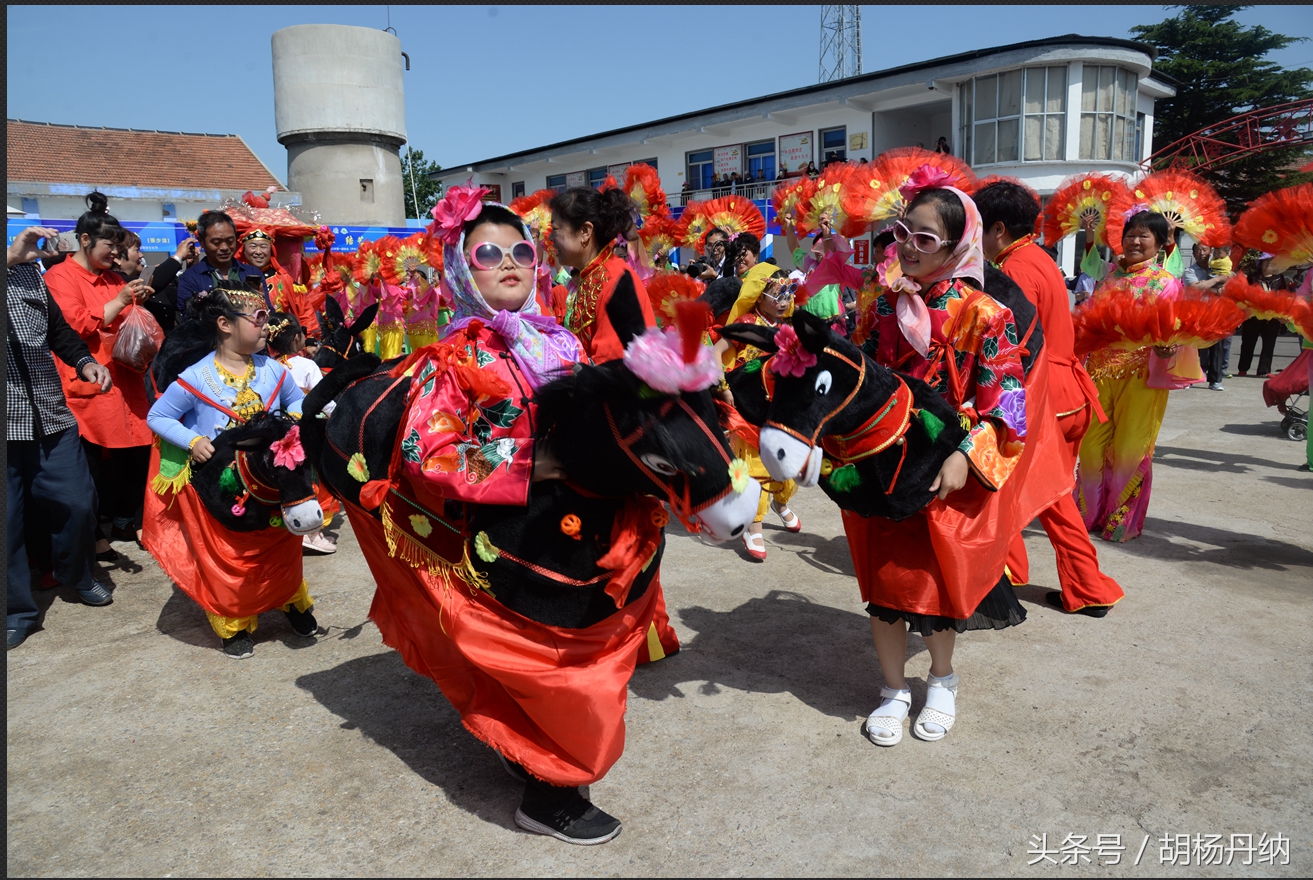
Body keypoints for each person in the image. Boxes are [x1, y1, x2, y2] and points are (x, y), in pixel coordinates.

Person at [365, 196, 640, 843]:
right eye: (487, 253)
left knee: (594, 658)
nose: (508, 262)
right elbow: (423, 452)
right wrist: (526, 459)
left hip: (576, 535)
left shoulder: (560, 340)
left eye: (520, 250)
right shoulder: (451, 358)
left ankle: (544, 762)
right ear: (463, 270)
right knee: (549, 671)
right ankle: (549, 794)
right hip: (505, 544)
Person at [854, 179, 1044, 746]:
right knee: (884, 584)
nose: (909, 246)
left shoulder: (985, 314)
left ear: (959, 244)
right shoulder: (880, 306)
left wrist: (967, 452)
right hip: (882, 464)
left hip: (945, 470)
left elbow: (1008, 406)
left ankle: (942, 680)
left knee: (935, 585)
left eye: (925, 237)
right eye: (902, 234)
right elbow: (857, 380)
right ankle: (892, 690)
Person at [975, 181, 1124, 617]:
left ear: (997, 228)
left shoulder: (1013, 270)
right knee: (1014, 484)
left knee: (1052, 496)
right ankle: (1009, 569)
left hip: (1043, 394)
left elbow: (1013, 346)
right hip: (1067, 390)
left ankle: (1089, 586)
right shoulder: (1035, 257)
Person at [143, 285, 315, 659]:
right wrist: (191, 440)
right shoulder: (195, 378)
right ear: (224, 324)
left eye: (267, 318)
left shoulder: (274, 369)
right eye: (259, 319)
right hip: (224, 490)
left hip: (269, 484)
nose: (267, 327)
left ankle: (292, 602)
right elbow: (157, 416)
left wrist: (297, 420)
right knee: (230, 556)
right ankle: (234, 622)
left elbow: (297, 401)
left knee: (283, 549)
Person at [549, 185, 680, 660]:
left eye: (557, 231)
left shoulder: (616, 274)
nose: (551, 240)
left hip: (620, 422)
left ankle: (645, 639)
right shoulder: (583, 278)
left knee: (629, 530)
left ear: (585, 233)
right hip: (593, 416)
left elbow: (630, 352)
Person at [8, 227, 117, 649]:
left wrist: (84, 361)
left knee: (77, 501)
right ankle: (17, 610)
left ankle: (77, 573)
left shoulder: (30, 274)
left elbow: (59, 331)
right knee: (9, 524)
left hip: (52, 417)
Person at [43, 193, 155, 558]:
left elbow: (124, 324)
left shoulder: (111, 278)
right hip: (86, 382)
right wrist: (122, 301)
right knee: (88, 466)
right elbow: (73, 326)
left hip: (124, 380)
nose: (114, 254)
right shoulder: (60, 276)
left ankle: (124, 519)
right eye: (110, 245)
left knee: (137, 454)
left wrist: (135, 301)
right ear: (86, 240)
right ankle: (92, 534)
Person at [1077, 209, 1199, 543]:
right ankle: (1088, 513)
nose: (1135, 240)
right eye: (1131, 233)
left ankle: (1122, 519)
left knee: (1131, 447)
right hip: (1099, 371)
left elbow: (1174, 332)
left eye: (1144, 235)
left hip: (1141, 376)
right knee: (1090, 446)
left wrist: (1166, 350)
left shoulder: (1166, 283)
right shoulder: (1110, 277)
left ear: (1160, 244)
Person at [713, 263, 802, 560]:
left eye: (789, 292)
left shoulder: (790, 326)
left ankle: (780, 502)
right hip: (749, 408)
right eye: (777, 293)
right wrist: (723, 385)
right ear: (759, 296)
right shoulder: (748, 323)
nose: (784, 299)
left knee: (788, 464)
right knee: (753, 467)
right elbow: (715, 353)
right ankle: (754, 525)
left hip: (782, 409)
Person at [265, 312, 338, 555]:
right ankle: (312, 534)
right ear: (297, 338)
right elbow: (323, 400)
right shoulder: (307, 365)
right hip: (303, 431)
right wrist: (339, 418)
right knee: (311, 478)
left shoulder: (266, 366)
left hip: (275, 432)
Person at [175, 211, 267, 315]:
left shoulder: (253, 272)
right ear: (201, 242)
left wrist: (261, 303)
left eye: (230, 241)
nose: (224, 247)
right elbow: (189, 319)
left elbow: (268, 314)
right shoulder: (190, 278)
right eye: (216, 242)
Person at [238, 229, 319, 341]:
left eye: (263, 246)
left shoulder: (284, 280)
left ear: (271, 250)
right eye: (253, 246)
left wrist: (310, 339)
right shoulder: (234, 278)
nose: (258, 251)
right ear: (244, 250)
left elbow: (305, 312)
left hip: (278, 346)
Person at [1183, 242, 1231, 390]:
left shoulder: (1219, 266)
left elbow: (1228, 287)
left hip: (1216, 312)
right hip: (1196, 312)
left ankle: (1215, 380)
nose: (1201, 253)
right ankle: (1191, 378)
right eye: (1198, 250)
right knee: (1194, 348)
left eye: (1204, 250)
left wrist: (1208, 285)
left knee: (1216, 348)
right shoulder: (1190, 271)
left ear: (1211, 251)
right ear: (1193, 253)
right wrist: (1216, 281)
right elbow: (1195, 288)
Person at [142, 234, 201, 332]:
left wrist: (192, 267)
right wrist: (179, 256)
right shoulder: (123, 283)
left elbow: (186, 296)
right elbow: (156, 282)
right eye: (136, 249)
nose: (141, 255)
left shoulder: (163, 289)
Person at [1236, 257, 1283, 378]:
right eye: (1265, 261)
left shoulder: (1280, 278)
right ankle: (1243, 368)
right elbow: (1245, 294)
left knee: (1269, 344)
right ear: (1260, 264)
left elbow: (1284, 296)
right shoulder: (1253, 277)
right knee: (1248, 343)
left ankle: (1263, 370)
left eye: (1271, 262)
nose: (1268, 264)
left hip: (1272, 317)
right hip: (1253, 316)